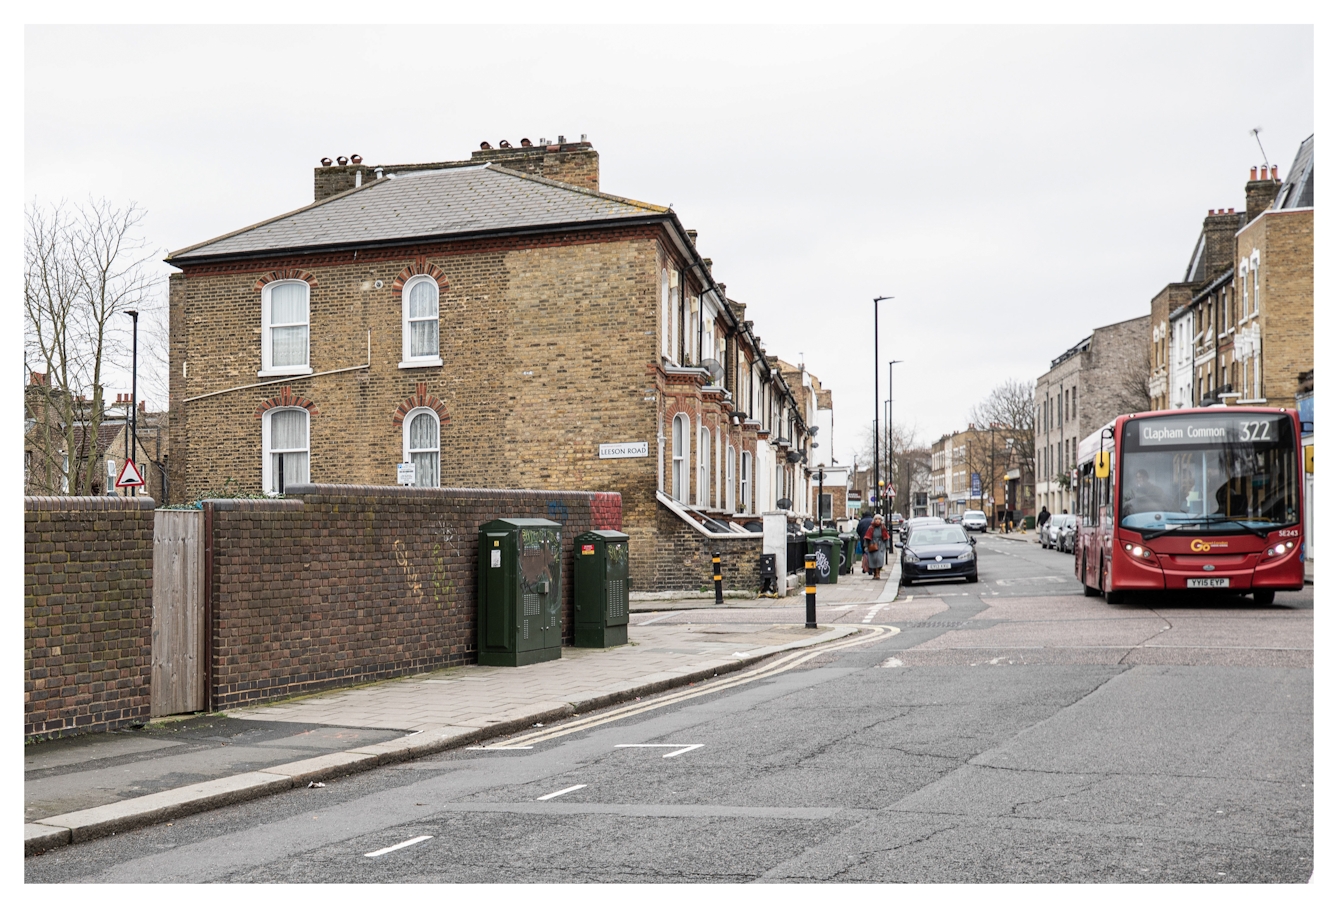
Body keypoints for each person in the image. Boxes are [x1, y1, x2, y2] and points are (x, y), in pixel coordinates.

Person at [863, 514, 891, 581]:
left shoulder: (883, 527)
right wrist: (866, 545)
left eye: (879, 519)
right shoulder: (871, 527)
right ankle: (875, 573)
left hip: (880, 545)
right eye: (876, 519)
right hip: (872, 545)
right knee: (873, 560)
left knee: (879, 559)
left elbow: (886, 537)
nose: (877, 520)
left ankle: (878, 573)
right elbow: (867, 537)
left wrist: (887, 546)